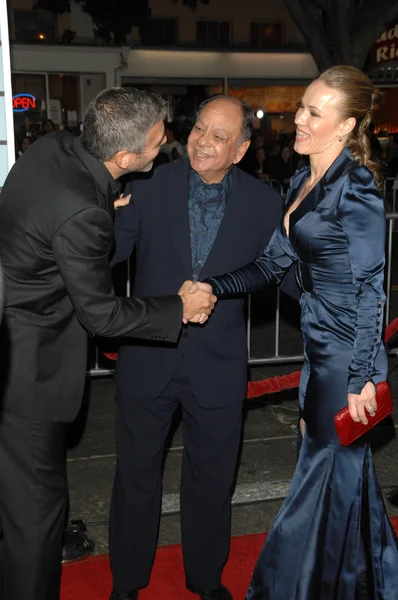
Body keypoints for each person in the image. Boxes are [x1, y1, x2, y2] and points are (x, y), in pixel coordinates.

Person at [0, 87, 215, 600]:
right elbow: (100, 314)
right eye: (159, 140)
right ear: (125, 157)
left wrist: (102, 204)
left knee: (15, 506)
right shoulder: (85, 212)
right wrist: (177, 308)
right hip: (26, 371)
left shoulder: (52, 148)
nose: (168, 146)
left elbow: (65, 215)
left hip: (12, 329)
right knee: (37, 519)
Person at [200, 66, 398, 598]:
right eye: (302, 106)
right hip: (319, 350)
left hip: (345, 362)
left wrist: (362, 377)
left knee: (321, 475)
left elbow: (371, 290)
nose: (299, 119)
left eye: (314, 111)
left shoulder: (354, 187)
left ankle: (294, 585)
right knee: (343, 481)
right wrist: (211, 286)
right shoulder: (303, 180)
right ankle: (363, 582)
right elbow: (270, 266)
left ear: (346, 125)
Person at [108, 95, 290, 600]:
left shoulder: (263, 203)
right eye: (199, 129)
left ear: (240, 150)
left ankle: (206, 580)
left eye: (219, 136)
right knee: (136, 478)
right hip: (148, 357)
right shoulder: (149, 184)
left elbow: (282, 275)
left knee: (212, 483)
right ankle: (126, 583)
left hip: (218, 366)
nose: (203, 141)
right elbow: (109, 252)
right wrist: (95, 211)